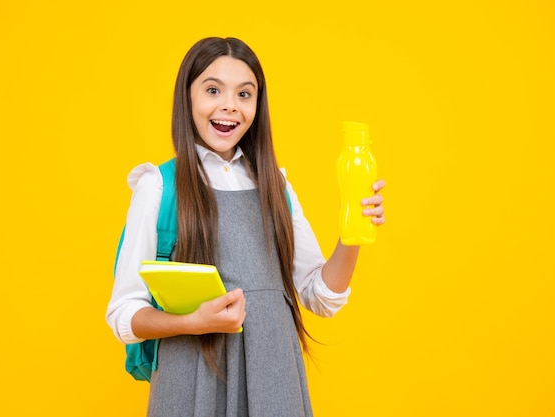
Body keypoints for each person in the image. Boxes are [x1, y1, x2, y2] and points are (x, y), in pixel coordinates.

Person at [106, 37, 386, 417]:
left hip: (275, 379)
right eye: (212, 90)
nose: (229, 105)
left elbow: (320, 295)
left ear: (258, 105)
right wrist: (192, 321)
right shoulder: (158, 186)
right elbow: (125, 314)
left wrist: (354, 229)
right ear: (186, 98)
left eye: (244, 94)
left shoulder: (277, 186)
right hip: (191, 382)